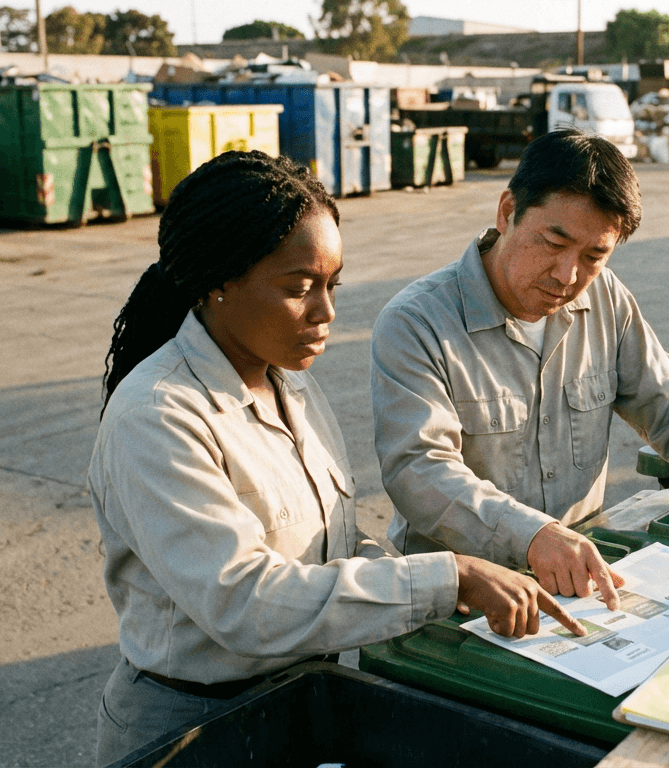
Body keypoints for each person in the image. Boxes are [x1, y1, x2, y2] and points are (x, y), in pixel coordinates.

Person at [89, 151, 580, 766]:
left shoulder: (291, 384)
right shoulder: (159, 415)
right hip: (190, 729)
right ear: (218, 280)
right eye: (299, 288)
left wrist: (453, 595)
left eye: (331, 284)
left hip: (298, 701)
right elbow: (245, 604)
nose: (326, 313)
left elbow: (333, 546)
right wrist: (444, 577)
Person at [371, 128, 669, 611]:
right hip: (462, 601)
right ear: (508, 212)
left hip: (579, 583)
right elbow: (419, 471)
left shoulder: (604, 298)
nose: (567, 275)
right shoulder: (417, 322)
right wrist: (534, 535)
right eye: (554, 242)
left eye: (594, 256)